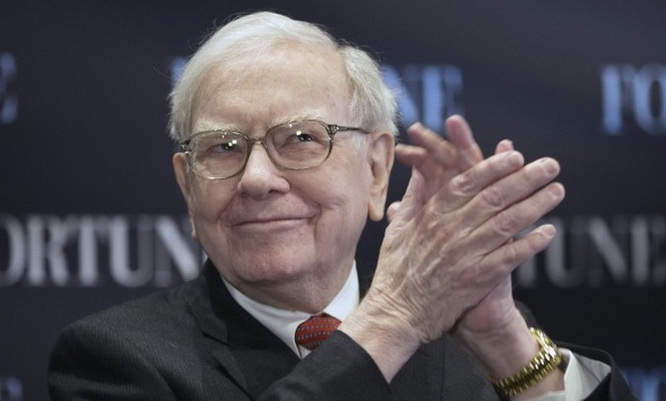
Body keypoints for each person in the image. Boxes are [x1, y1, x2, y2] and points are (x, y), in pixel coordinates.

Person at [48, 11, 635, 401]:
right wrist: (392, 323)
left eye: (300, 139)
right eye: (222, 148)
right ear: (187, 185)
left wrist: (506, 346)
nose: (257, 179)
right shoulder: (114, 361)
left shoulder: (470, 341)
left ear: (377, 170)